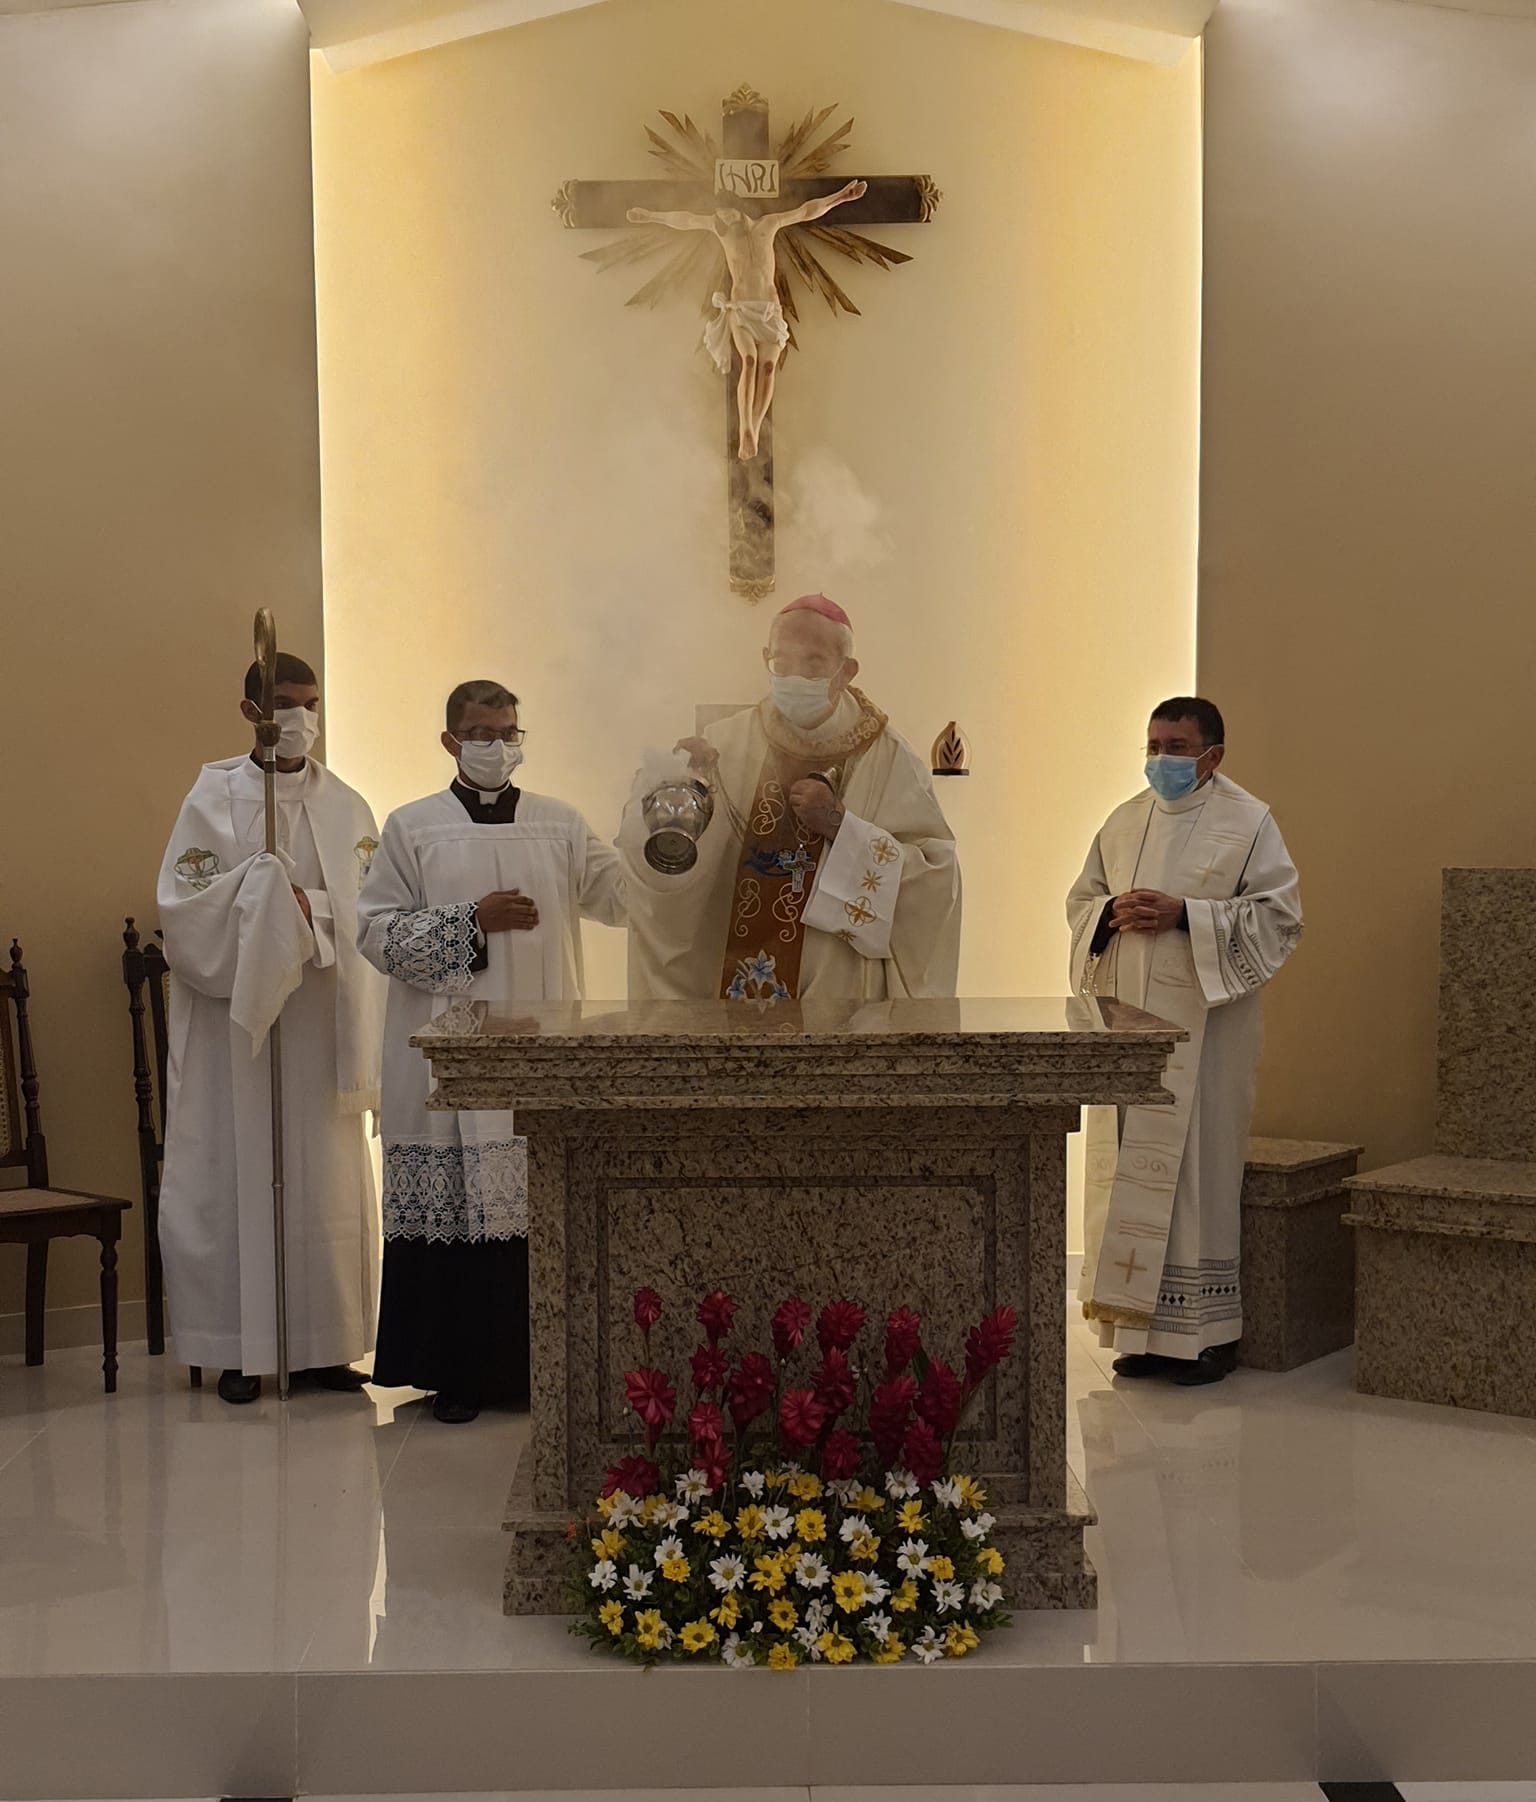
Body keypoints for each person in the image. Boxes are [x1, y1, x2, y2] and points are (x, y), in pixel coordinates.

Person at [357, 680, 626, 1424]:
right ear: (451, 741)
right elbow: (376, 933)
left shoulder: (559, 823)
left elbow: (626, 896)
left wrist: (665, 831)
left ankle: (542, 1372)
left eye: (509, 732)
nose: (497, 746)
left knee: (534, 1205)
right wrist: (471, 921)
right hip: (449, 1057)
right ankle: (457, 1375)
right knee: (454, 1207)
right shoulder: (413, 826)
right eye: (481, 733)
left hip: (541, 1053)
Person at [157, 653, 386, 1404]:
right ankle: (240, 1347)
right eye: (286, 703)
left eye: (311, 704)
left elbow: (372, 911)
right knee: (240, 1175)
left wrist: (308, 907)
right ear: (251, 711)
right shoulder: (212, 796)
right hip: (238, 1035)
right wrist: (259, 894)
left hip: (319, 1019)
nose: (302, 719)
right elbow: (186, 911)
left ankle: (323, 1345)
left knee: (321, 1182)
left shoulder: (346, 804)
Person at [1068, 697, 1302, 1386]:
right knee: (1128, 1171)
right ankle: (1137, 1331)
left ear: (1212, 755)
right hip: (1129, 1029)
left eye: (1176, 747)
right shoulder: (1123, 820)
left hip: (1208, 1034)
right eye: (1153, 745)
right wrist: (1107, 913)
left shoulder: (1249, 822)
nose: (1161, 759)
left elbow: (1280, 918)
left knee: (1197, 1172)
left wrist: (1187, 917)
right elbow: (1081, 903)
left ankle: (1206, 1337)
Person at [622, 593, 960, 1003]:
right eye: (781, 663)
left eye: (813, 663)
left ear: (846, 671)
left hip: (835, 994)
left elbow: (936, 878)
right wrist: (678, 784)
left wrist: (840, 826)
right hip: (731, 984)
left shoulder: (888, 757)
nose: (795, 675)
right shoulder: (725, 743)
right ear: (765, 658)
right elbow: (665, 863)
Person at [627, 180, 867, 458]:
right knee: (750, 361)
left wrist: (841, 197)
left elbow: (804, 211)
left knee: (768, 368)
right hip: (740, 309)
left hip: (770, 310)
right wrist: (649, 215)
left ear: (738, 208)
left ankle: (755, 423)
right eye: (722, 218)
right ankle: (745, 429)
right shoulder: (722, 229)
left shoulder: (768, 225)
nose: (726, 222)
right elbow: (686, 220)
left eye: (729, 215)